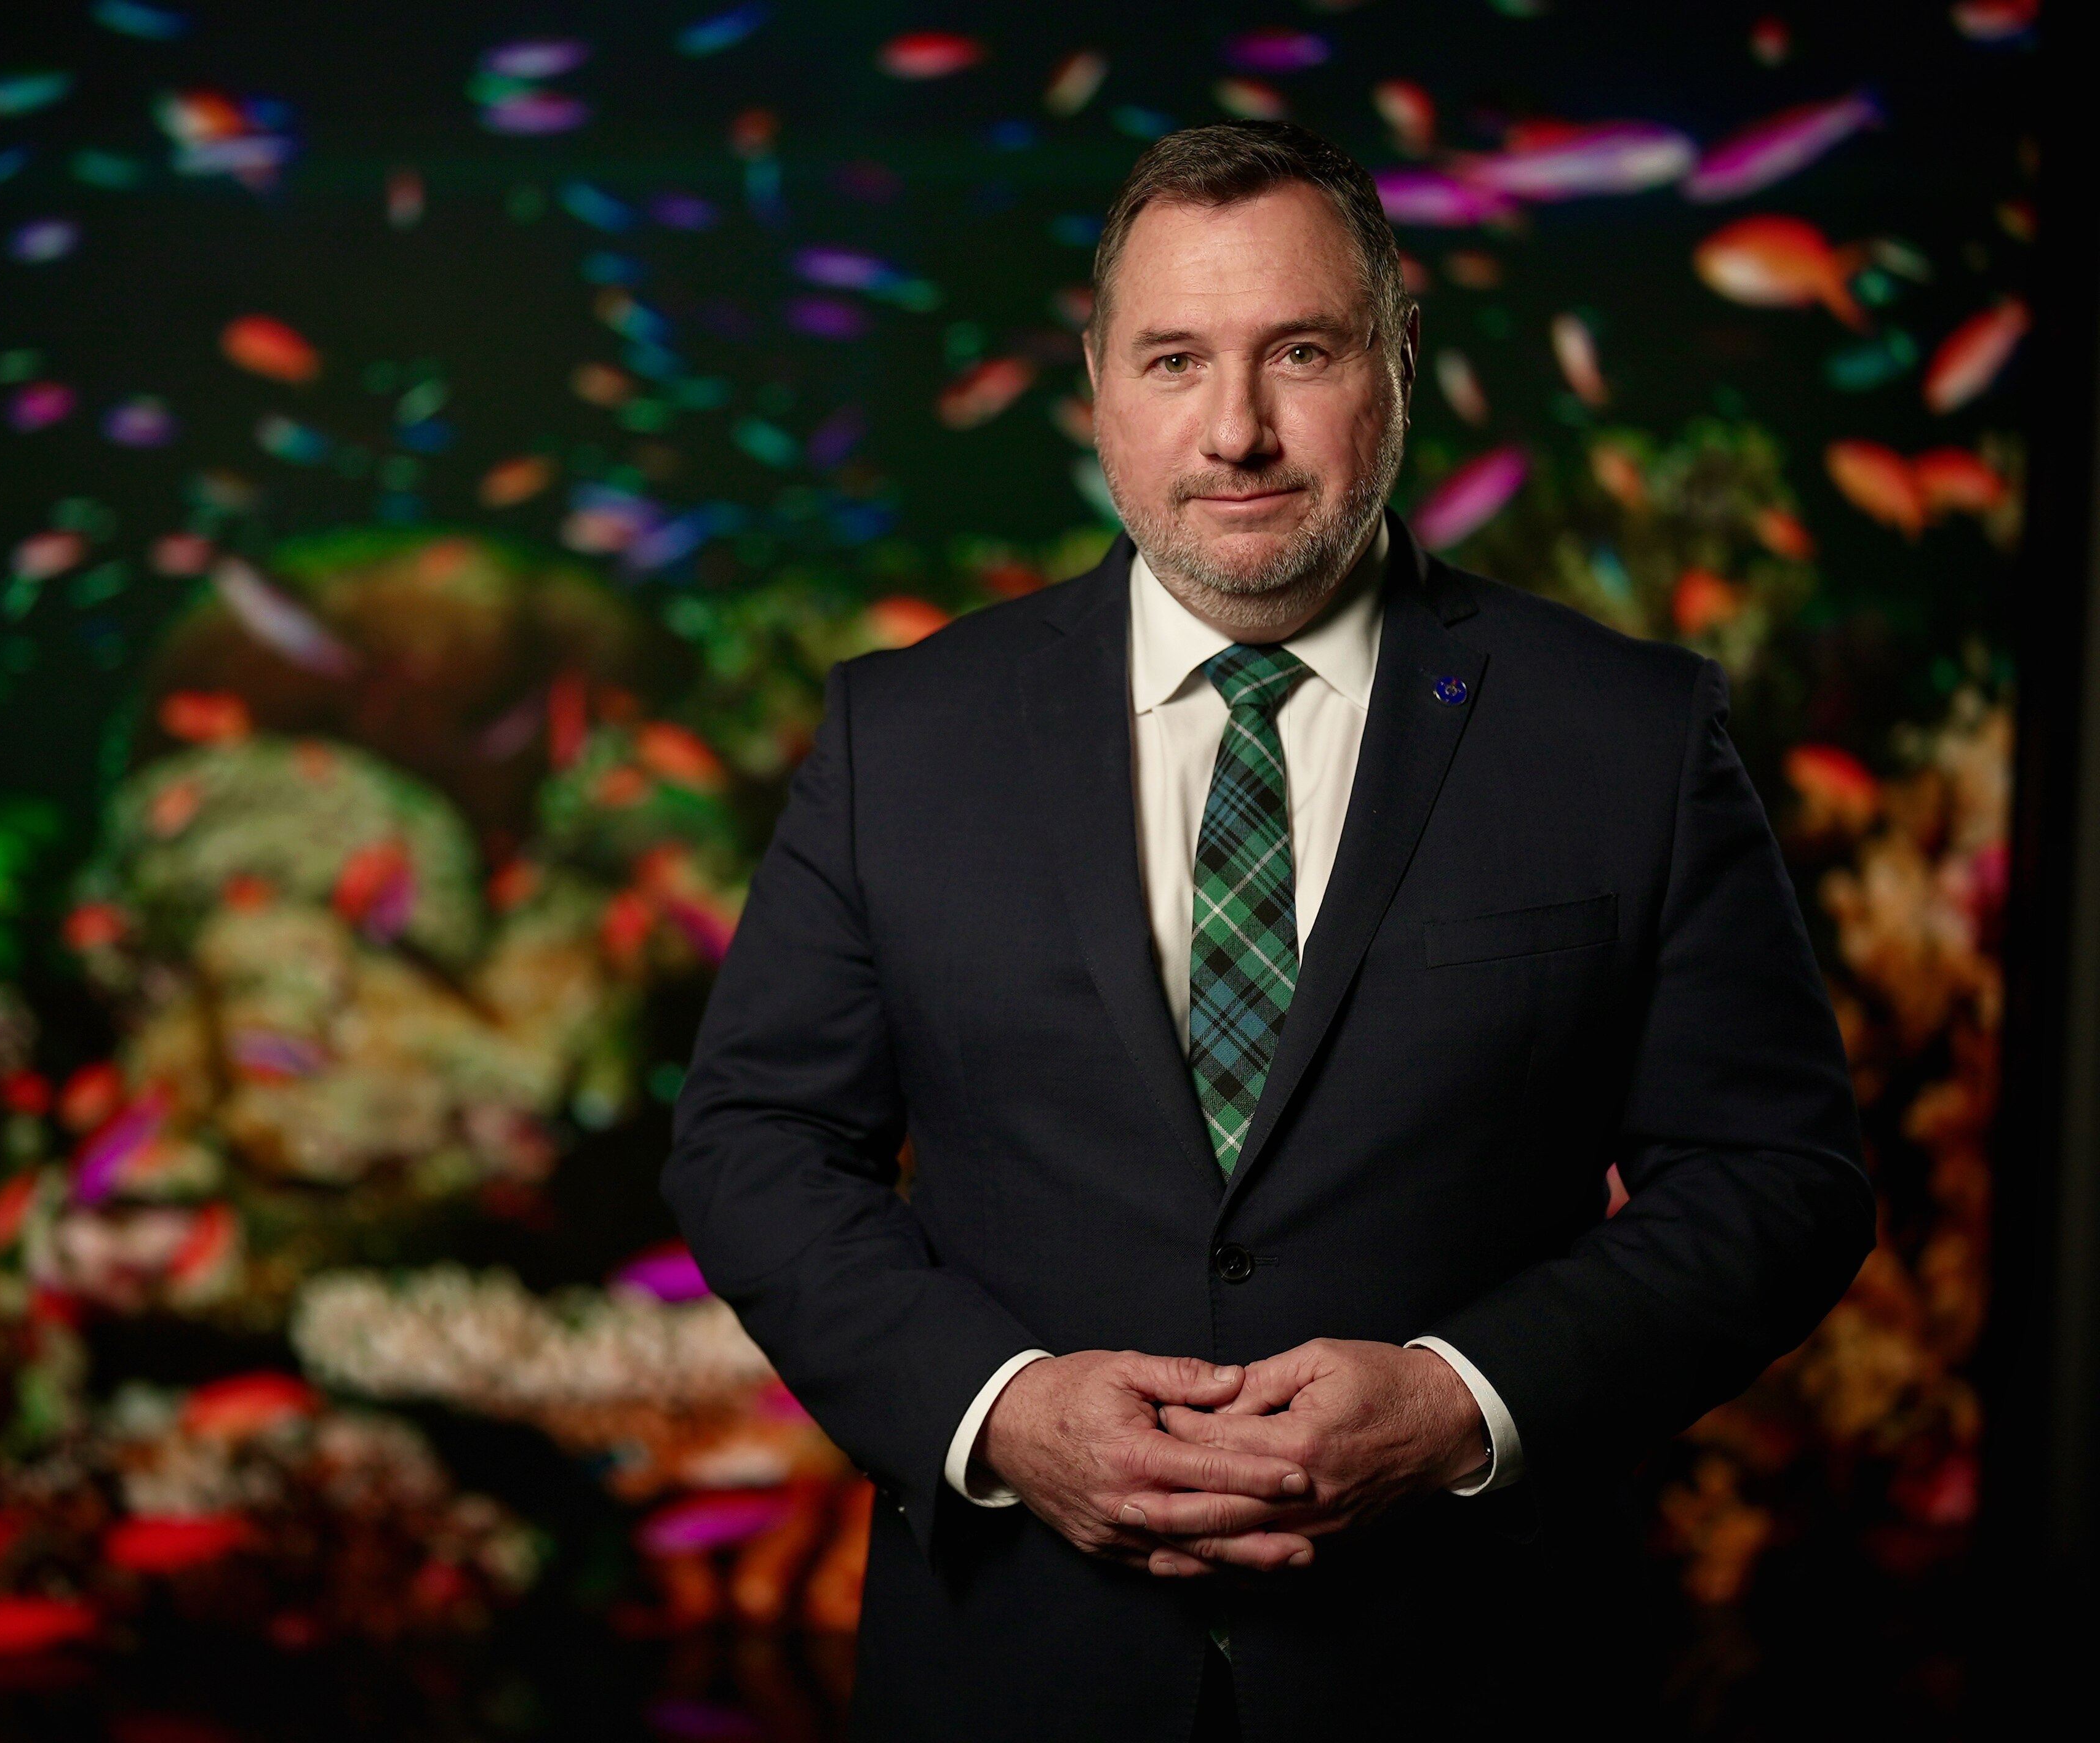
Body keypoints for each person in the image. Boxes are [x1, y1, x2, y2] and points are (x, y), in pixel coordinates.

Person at [661, 121, 1871, 1740]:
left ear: (1396, 361)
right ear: (1097, 383)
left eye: (1298, 352)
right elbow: (753, 1143)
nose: (1235, 432)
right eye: (1174, 359)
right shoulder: (906, 736)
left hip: (1478, 1675)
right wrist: (1000, 1410)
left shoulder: (1627, 736)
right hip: (1012, 1678)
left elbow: (1780, 1175)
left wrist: (1460, 1401)